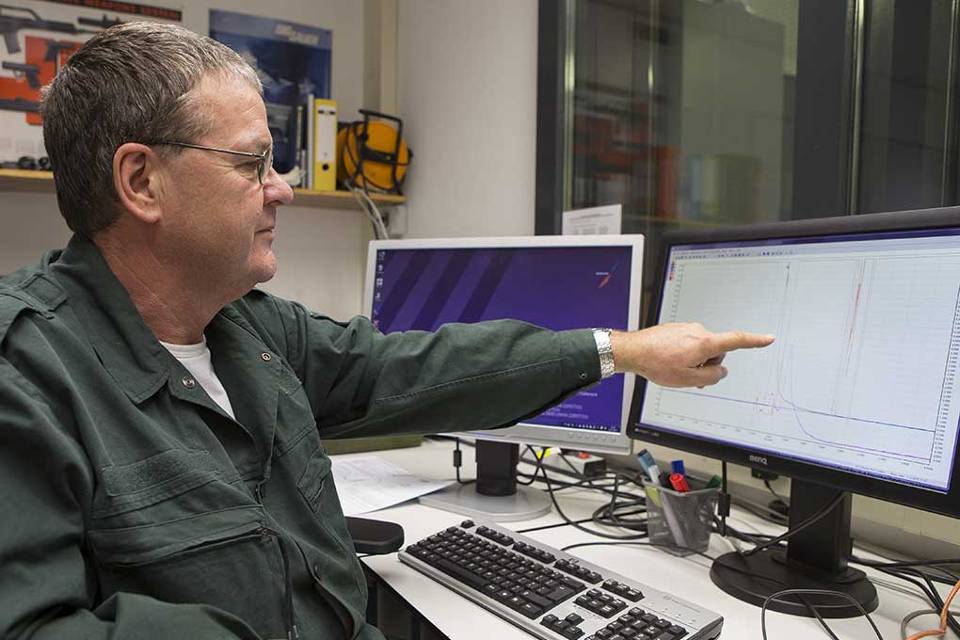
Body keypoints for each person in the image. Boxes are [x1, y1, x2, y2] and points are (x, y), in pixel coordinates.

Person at [0, 22, 773, 640]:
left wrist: (623, 350)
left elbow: (412, 368)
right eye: (253, 164)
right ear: (141, 181)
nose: (282, 189)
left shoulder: (247, 332)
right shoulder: (25, 376)